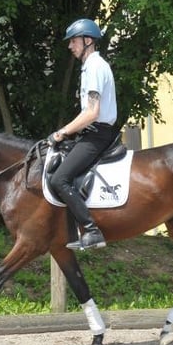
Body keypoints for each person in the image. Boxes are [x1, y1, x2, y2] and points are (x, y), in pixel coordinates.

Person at [49, 18, 118, 250]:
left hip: (96, 134)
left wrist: (61, 133)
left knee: (59, 179)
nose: (70, 46)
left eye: (74, 41)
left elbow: (92, 112)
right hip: (91, 133)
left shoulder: (95, 67)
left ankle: (91, 230)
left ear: (88, 41)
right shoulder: (90, 67)